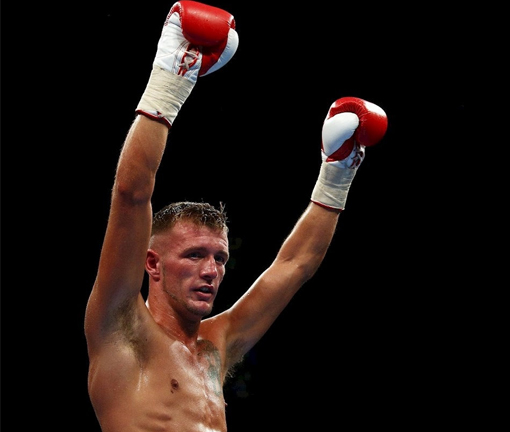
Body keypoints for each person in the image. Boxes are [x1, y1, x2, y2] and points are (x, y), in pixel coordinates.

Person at [83, 1, 388, 431]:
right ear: (151, 263)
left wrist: (337, 173)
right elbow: (132, 194)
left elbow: (294, 267)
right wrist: (172, 80)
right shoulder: (121, 330)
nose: (211, 271)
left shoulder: (216, 345)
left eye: (220, 258)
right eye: (194, 255)